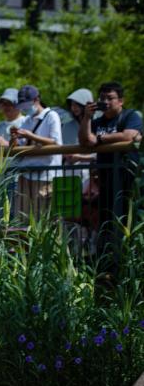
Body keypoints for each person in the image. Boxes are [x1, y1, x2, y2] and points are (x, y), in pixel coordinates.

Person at [78, 81, 142, 262]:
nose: (105, 101)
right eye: (102, 98)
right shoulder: (97, 121)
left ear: (121, 101)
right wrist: (86, 118)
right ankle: (108, 263)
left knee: (127, 220)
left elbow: (129, 135)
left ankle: (128, 261)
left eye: (110, 98)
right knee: (106, 222)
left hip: (127, 178)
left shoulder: (131, 115)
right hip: (105, 179)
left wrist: (97, 139)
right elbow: (84, 141)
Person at [10, 85, 63, 220]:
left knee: (44, 220)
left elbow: (56, 143)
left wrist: (31, 136)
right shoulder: (26, 120)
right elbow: (17, 148)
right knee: (21, 219)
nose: (24, 108)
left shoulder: (52, 116)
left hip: (45, 176)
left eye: (27, 104)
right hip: (25, 175)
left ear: (37, 99)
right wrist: (14, 138)